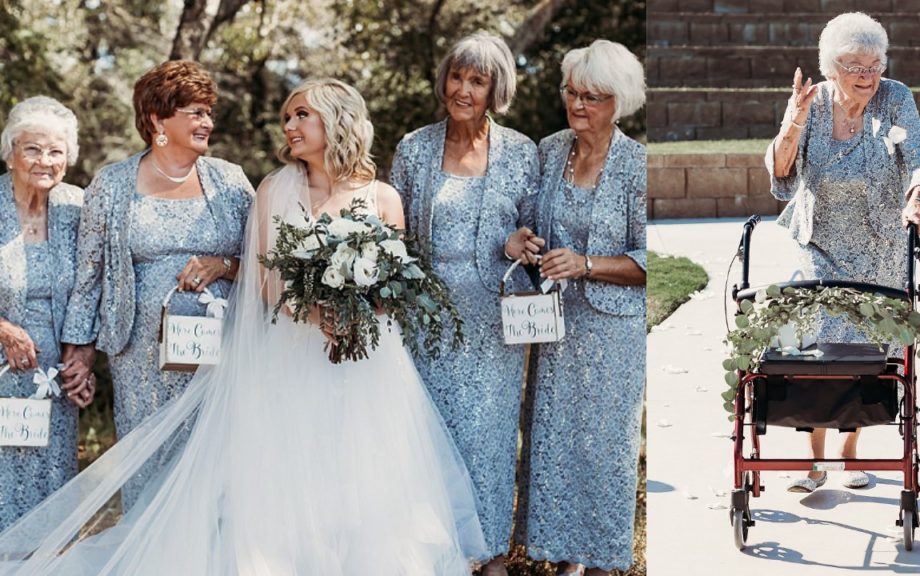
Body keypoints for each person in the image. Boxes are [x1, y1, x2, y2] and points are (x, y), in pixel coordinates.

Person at [0, 78, 487, 574]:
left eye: (301, 115)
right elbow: (265, 277)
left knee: (366, 470)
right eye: (288, 118)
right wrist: (317, 314)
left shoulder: (381, 196)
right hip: (282, 350)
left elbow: (394, 281)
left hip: (368, 359)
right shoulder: (274, 187)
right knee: (289, 473)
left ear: (336, 120)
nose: (290, 126)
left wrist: (360, 314)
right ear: (156, 122)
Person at [60, 61, 254, 507]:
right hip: (141, 359)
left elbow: (263, 264)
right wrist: (81, 351)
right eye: (196, 112)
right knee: (150, 472)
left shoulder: (230, 180)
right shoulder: (110, 184)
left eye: (209, 112)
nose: (208, 122)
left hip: (221, 355)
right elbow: (90, 276)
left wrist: (222, 264)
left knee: (217, 470)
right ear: (157, 119)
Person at [765, 12, 920, 493]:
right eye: (855, 66)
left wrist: (917, 200)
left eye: (874, 64)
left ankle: (850, 456)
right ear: (831, 67)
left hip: (880, 241)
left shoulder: (896, 97)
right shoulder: (811, 103)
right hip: (817, 241)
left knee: (864, 351)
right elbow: (781, 174)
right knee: (819, 346)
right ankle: (813, 463)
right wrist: (793, 120)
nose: (867, 75)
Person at [389, 31, 539, 575]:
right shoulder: (414, 147)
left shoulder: (521, 152)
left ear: (495, 88)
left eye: (478, 80)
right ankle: (435, 554)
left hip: (494, 317)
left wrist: (521, 243)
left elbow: (533, 227)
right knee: (427, 434)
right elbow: (392, 234)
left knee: (490, 437)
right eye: (457, 76)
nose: (464, 89)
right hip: (423, 316)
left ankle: (491, 553)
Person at [511, 40, 646, 576]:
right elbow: (524, 219)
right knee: (550, 439)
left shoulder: (638, 164)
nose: (578, 104)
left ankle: (601, 557)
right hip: (551, 324)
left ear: (620, 100)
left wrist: (588, 263)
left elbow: (649, 255)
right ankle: (561, 555)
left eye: (592, 95)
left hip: (612, 329)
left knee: (605, 444)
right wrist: (519, 240)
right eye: (572, 91)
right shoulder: (547, 150)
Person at [0, 96, 96, 532]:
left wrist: (83, 357)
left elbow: (92, 286)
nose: (45, 160)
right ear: (10, 152)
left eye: (56, 151)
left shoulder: (76, 207)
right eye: (33, 149)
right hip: (3, 365)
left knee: (51, 486)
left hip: (52, 374)